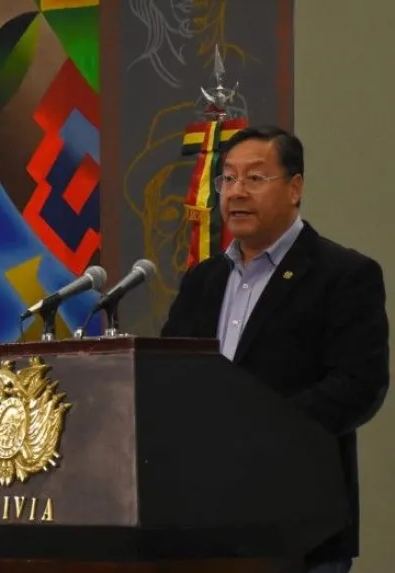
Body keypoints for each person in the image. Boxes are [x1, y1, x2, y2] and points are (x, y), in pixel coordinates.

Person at [161, 125, 389, 573]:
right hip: (204, 522)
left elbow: (359, 386)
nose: (237, 192)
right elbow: (171, 376)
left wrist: (258, 432)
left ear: (295, 188)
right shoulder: (203, 280)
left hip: (301, 524)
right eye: (227, 179)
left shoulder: (344, 274)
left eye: (255, 178)